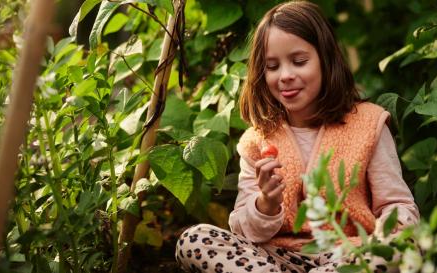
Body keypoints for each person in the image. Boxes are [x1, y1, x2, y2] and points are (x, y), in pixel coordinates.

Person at [175, 1, 419, 272]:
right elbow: (244, 232)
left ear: (326, 60)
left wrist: (382, 239)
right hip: (274, 261)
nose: (286, 76)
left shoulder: (368, 123)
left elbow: (398, 207)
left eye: (299, 61)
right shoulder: (258, 140)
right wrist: (265, 203)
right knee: (194, 239)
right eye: (272, 66)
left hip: (348, 257)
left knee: (400, 247)